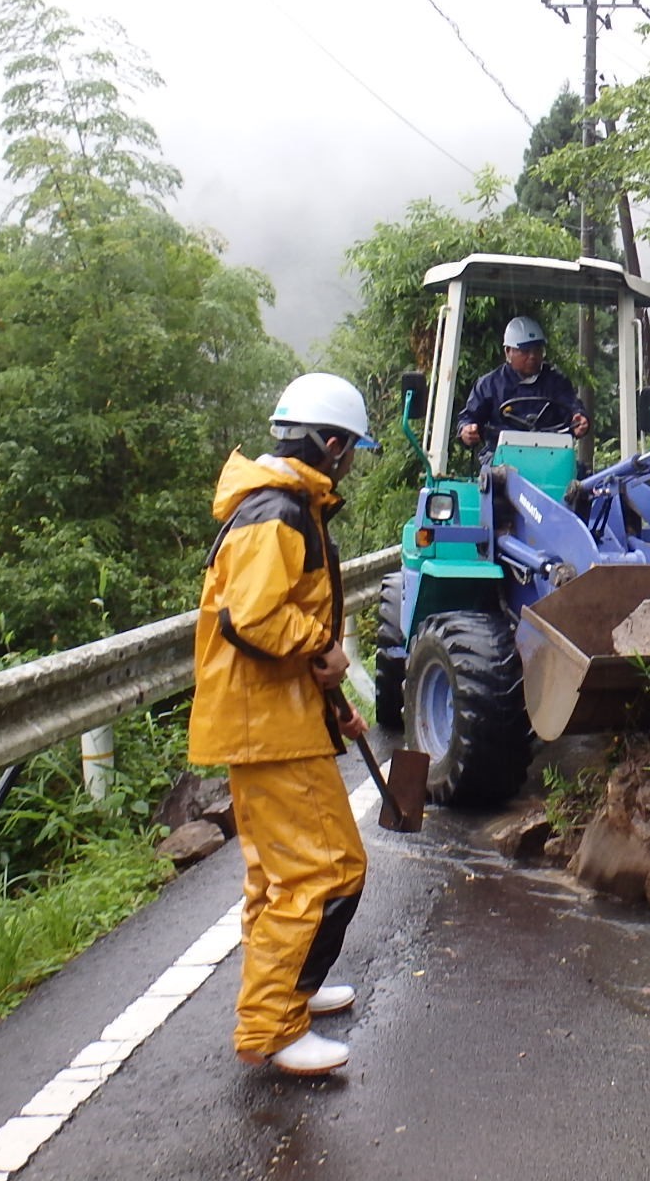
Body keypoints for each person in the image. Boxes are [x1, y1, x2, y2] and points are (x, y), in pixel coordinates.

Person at [190, 372, 379, 1077]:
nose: (350, 460)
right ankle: (275, 1025)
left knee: (278, 875)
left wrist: (336, 701)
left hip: (275, 718)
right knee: (327, 872)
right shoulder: (275, 514)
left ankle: (290, 991)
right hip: (266, 726)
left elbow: (287, 624)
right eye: (351, 448)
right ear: (330, 444)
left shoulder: (285, 506)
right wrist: (324, 650)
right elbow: (257, 619)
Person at [455, 315, 590, 452]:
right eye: (525, 351)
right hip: (500, 455)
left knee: (578, 471)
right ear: (508, 351)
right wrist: (466, 430)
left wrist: (579, 419)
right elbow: (468, 418)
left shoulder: (556, 382)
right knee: (493, 472)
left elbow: (572, 407)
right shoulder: (489, 385)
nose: (532, 356)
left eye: (537, 350)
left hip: (549, 454)